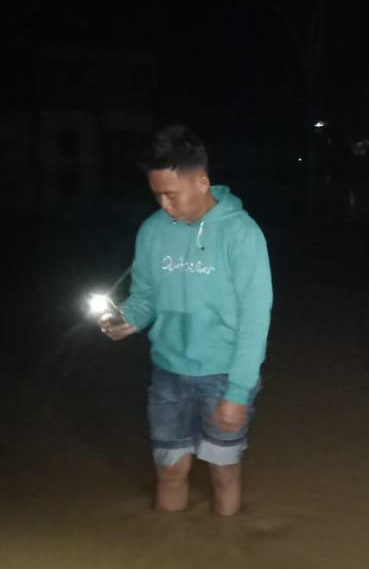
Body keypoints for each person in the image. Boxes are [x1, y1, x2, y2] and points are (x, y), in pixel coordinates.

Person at [102, 125, 272, 517]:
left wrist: (238, 392)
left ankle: (227, 558)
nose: (164, 205)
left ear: (202, 181)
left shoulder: (242, 234)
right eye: (157, 195)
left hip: (223, 376)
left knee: (224, 476)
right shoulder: (152, 232)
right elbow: (145, 296)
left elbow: (255, 319)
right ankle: (170, 562)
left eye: (171, 195)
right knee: (170, 474)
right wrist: (127, 320)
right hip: (168, 374)